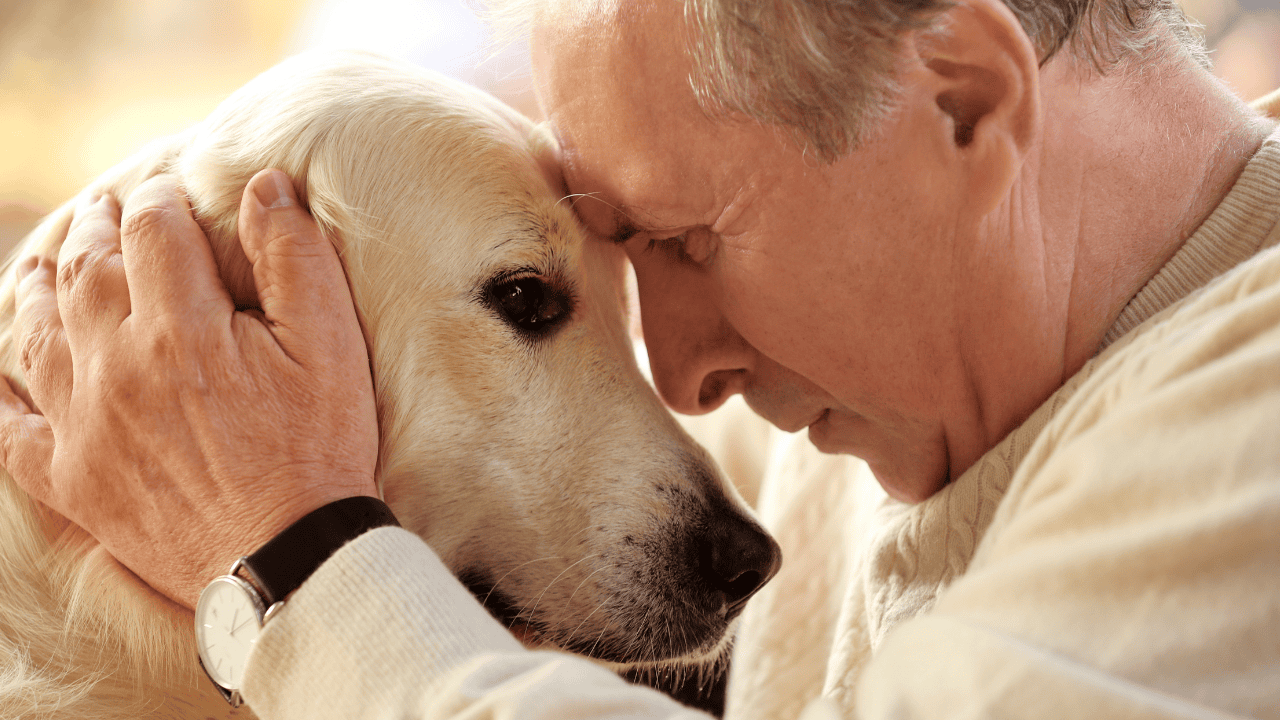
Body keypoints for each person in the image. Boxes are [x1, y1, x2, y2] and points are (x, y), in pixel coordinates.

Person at [2, 0, 1279, 716]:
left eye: (685, 238)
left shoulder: (1251, 418)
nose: (680, 373)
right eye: (617, 262)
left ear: (959, 99)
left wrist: (286, 558)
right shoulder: (891, 404)